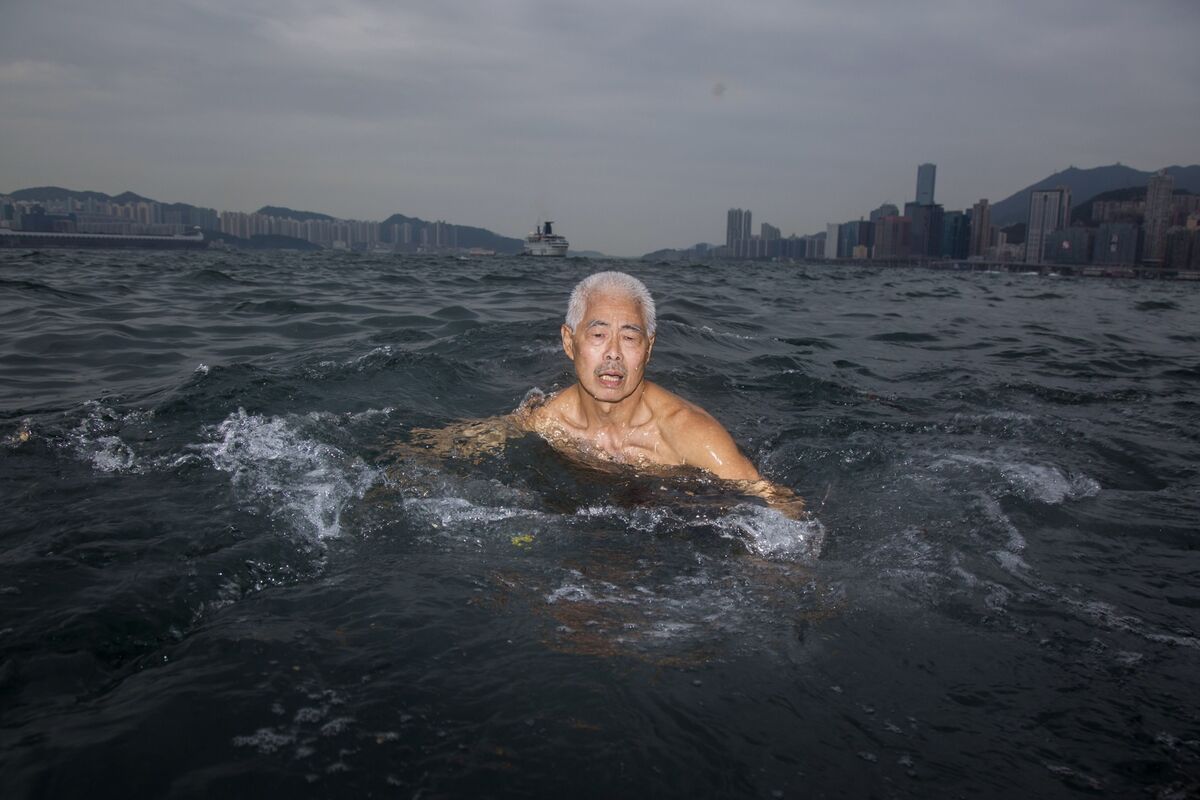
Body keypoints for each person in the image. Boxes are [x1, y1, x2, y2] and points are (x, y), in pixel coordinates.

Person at [402, 270, 806, 517]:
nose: (612, 352)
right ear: (569, 341)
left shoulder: (689, 435)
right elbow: (466, 443)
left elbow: (775, 503)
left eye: (629, 337)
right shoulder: (547, 420)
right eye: (597, 335)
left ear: (648, 347)